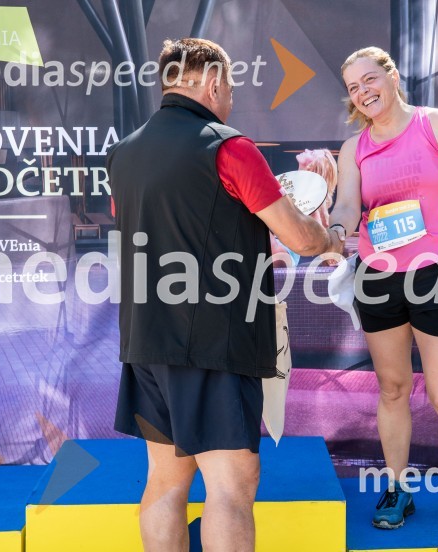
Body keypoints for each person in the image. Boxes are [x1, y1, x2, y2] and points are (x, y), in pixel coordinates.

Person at [108, 38, 340, 552]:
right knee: (232, 489)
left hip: (145, 343)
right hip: (212, 347)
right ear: (213, 83)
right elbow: (302, 239)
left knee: (165, 485)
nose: (231, 98)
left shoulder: (123, 153)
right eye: (231, 88)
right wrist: (330, 236)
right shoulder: (229, 147)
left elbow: (179, 229)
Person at [326, 46, 438, 530]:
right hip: (378, 279)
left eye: (369, 79)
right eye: (354, 88)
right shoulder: (353, 148)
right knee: (393, 389)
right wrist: (332, 235)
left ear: (392, 76)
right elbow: (346, 209)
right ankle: (398, 489)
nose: (363, 92)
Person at [272, 148, 339, 266]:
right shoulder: (291, 186)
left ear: (315, 165)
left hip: (287, 253)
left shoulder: (314, 196)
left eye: (312, 153)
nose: (307, 150)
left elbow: (321, 229)